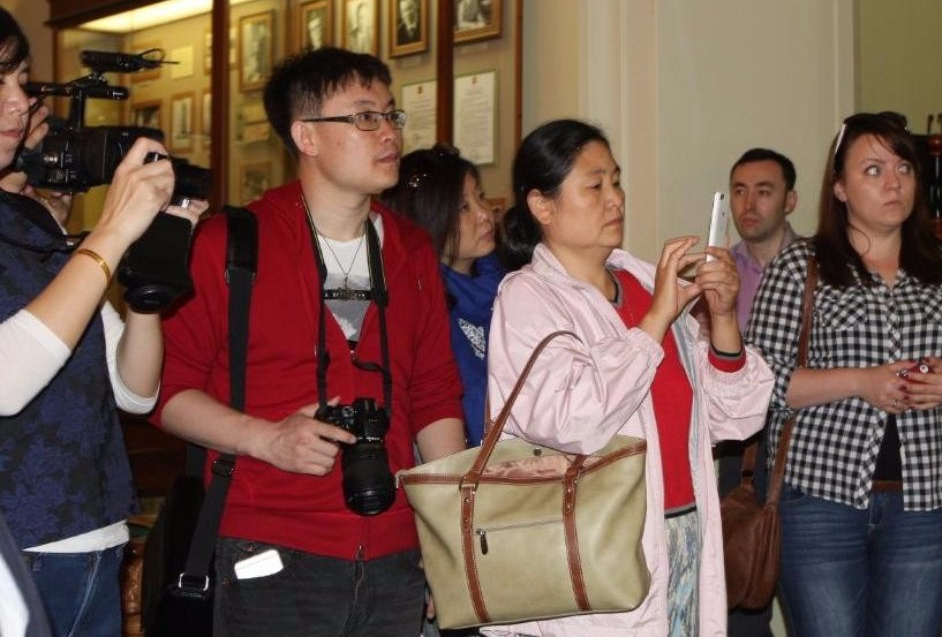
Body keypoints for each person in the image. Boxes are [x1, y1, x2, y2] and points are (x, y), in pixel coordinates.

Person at [154, 46, 465, 637]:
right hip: (269, 549)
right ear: (307, 136)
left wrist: (445, 539)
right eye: (364, 117)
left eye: (392, 116)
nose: (389, 133)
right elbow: (165, 391)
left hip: (396, 554)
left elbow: (434, 396)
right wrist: (267, 439)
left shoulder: (411, 249)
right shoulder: (230, 244)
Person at [483, 119, 774, 635]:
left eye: (616, 181)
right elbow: (573, 421)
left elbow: (734, 417)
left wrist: (724, 315)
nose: (615, 198)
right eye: (594, 186)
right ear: (542, 206)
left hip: (682, 532)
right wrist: (656, 319)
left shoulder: (642, 282)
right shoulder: (528, 297)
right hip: (591, 549)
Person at [0, 7, 206, 636]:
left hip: (96, 535)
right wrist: (113, 230)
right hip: (18, 549)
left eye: (22, 82)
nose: (17, 105)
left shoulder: (34, 223)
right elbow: (5, 381)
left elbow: (134, 390)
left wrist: (148, 278)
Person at [746, 111, 942, 637]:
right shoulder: (799, 267)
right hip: (820, 503)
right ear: (840, 188)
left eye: (903, 167)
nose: (894, 182)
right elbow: (760, 383)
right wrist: (861, 381)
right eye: (873, 170)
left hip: (927, 506)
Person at [716, 147, 799, 637]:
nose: (749, 203)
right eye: (740, 191)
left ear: (790, 201)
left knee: (809, 587)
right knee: (742, 590)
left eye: (764, 191)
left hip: (808, 445)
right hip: (742, 450)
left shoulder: (821, 270)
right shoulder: (718, 273)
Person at [381, 144, 503, 446]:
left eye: (481, 197)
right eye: (463, 207)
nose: (484, 214)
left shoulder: (509, 283)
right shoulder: (421, 303)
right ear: (426, 218)